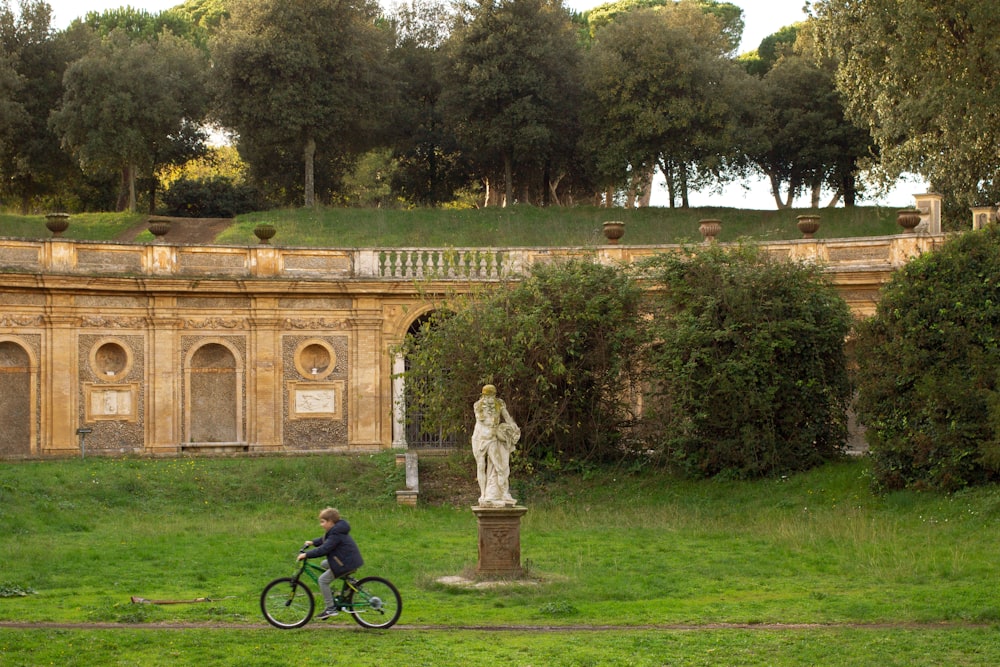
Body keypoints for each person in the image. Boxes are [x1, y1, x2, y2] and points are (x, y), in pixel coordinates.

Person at [298, 507, 364, 619]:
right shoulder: (336, 530)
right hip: (348, 560)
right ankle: (349, 582)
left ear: (331, 522)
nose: (321, 524)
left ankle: (330, 609)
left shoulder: (336, 533)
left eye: (323, 522)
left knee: (322, 580)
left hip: (345, 563)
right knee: (324, 564)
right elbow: (325, 540)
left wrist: (306, 554)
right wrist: (313, 542)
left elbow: (324, 548)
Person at [471, 384, 520, 506]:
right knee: (481, 466)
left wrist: (513, 427)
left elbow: (507, 417)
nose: (489, 399)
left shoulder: (499, 404)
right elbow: (484, 421)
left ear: (494, 395)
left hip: (492, 439)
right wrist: (497, 426)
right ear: (483, 396)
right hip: (479, 439)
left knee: (499, 466)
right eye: (486, 396)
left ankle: (504, 493)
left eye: (491, 396)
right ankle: (483, 494)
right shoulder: (478, 406)